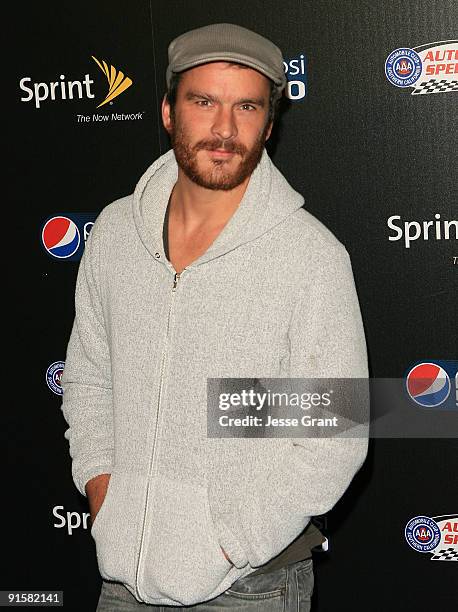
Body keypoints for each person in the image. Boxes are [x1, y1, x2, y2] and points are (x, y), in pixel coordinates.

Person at [60, 22, 369, 611]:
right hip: (121, 583)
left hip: (249, 588)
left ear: (269, 124)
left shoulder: (310, 258)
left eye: (246, 107)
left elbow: (334, 434)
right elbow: (88, 378)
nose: (224, 129)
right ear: (170, 113)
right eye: (203, 102)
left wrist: (230, 540)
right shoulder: (115, 235)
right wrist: (104, 490)